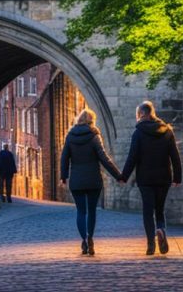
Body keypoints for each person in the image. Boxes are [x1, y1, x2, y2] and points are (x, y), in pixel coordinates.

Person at [120, 100, 182, 256]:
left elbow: (132, 157)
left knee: (148, 211)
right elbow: (175, 156)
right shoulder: (167, 131)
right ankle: (160, 229)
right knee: (160, 210)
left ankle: (150, 244)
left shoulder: (138, 133)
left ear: (141, 114)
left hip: (145, 179)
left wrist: (124, 176)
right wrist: (177, 178)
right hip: (164, 178)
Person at [60, 108, 123, 256]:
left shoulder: (70, 137)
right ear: (91, 121)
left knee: (81, 211)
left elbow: (64, 158)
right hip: (93, 179)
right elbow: (104, 158)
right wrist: (118, 175)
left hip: (76, 180)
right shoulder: (95, 136)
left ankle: (83, 239)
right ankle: (90, 237)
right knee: (92, 211)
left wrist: (64, 176)